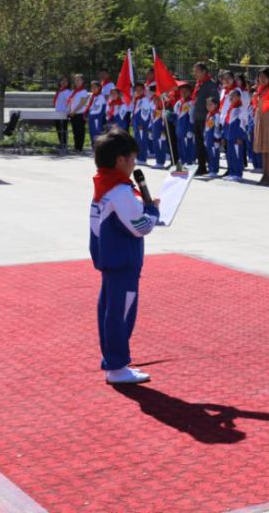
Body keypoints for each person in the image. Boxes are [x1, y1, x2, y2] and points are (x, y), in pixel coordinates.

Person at [89, 128, 159, 385]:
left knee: (111, 312)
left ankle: (114, 361)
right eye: (132, 159)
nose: (133, 164)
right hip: (123, 261)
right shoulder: (120, 191)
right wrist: (153, 212)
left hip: (111, 260)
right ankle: (117, 365)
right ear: (120, 160)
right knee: (121, 314)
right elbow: (141, 226)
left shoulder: (106, 186)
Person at [190, 62, 219, 176]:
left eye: (197, 71)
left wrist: (209, 116)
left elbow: (214, 101)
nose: (194, 73)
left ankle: (211, 166)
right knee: (199, 144)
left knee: (207, 143)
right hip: (197, 118)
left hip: (206, 119)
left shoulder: (210, 84)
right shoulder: (199, 84)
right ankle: (201, 166)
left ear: (204, 71)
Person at [223, 89, 247, 182]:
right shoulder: (231, 109)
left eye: (233, 96)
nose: (230, 98)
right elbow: (227, 123)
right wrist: (225, 136)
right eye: (229, 96)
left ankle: (238, 173)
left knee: (237, 155)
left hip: (237, 137)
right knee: (230, 155)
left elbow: (243, 123)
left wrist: (240, 136)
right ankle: (232, 172)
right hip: (230, 137)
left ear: (239, 97)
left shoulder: (241, 109)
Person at [67, 74, 90, 152]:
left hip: (80, 114)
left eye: (79, 80)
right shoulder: (74, 91)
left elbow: (82, 103)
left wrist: (74, 111)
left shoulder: (83, 91)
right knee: (75, 131)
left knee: (80, 131)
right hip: (73, 113)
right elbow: (71, 102)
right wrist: (70, 110)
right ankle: (76, 147)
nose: (77, 81)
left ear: (82, 81)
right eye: (75, 80)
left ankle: (79, 148)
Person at [203, 96, 221, 178]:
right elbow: (206, 127)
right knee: (209, 154)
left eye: (211, 104)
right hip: (208, 138)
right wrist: (205, 138)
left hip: (214, 139)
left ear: (216, 105)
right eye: (207, 105)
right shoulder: (208, 115)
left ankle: (214, 170)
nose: (208, 106)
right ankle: (210, 169)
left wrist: (217, 139)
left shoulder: (217, 115)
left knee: (214, 155)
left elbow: (217, 127)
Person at [54, 76, 72, 151]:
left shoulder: (68, 91)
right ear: (59, 82)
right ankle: (61, 143)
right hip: (57, 113)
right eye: (62, 81)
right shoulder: (59, 91)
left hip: (64, 113)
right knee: (59, 129)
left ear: (68, 83)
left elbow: (69, 103)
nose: (64, 82)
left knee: (63, 129)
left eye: (65, 81)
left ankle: (64, 144)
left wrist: (67, 112)